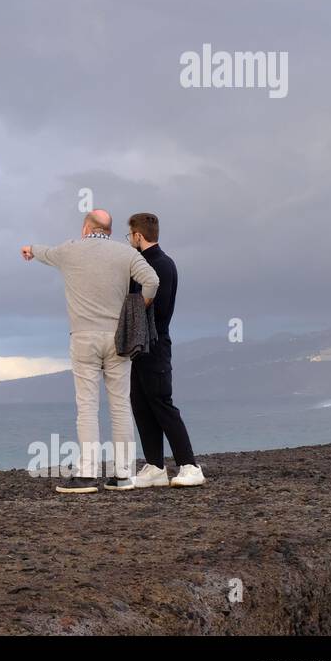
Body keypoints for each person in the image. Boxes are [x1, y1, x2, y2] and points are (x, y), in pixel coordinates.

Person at [22, 209, 159, 493]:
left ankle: (87, 475)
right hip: (118, 337)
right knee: (120, 405)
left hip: (84, 337)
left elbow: (45, 252)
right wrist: (136, 309)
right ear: (108, 231)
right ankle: (123, 475)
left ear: (86, 228)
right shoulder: (126, 254)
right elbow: (152, 281)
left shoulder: (70, 250)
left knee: (87, 407)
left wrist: (30, 249)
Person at [125, 213, 205, 488]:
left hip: (156, 344)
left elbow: (158, 310)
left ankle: (190, 465)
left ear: (138, 235)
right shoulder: (145, 263)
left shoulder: (161, 264)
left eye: (130, 235)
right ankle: (155, 466)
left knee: (162, 404)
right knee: (141, 404)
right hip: (140, 347)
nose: (130, 240)